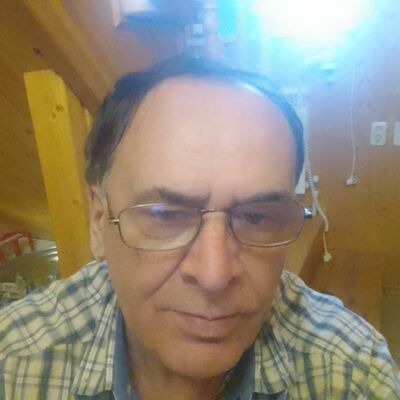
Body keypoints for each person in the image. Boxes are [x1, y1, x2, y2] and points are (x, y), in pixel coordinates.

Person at [0, 53, 399, 400]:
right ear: (99, 219)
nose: (214, 275)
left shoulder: (351, 373)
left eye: (257, 217)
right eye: (165, 215)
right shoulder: (14, 364)